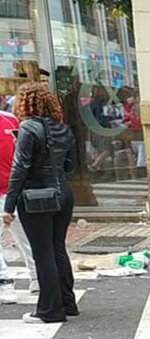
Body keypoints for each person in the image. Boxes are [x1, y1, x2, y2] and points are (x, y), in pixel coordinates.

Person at [3, 82, 78, 324]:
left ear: (25, 102)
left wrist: (9, 206)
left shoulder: (28, 128)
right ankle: (68, 302)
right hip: (63, 193)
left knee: (42, 251)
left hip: (35, 196)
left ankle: (49, 310)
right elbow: (70, 166)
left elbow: (20, 168)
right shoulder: (63, 129)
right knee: (58, 247)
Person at [0, 108, 39, 299]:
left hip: (13, 189)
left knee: (25, 237)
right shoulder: (11, 120)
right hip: (15, 189)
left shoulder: (11, 120)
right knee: (26, 238)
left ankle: (8, 284)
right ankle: (35, 279)